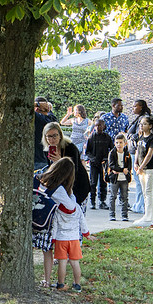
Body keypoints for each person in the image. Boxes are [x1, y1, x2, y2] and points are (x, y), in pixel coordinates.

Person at [42, 158, 91, 292]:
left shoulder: (57, 208)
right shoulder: (73, 204)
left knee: (62, 262)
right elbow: (80, 219)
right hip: (74, 238)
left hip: (60, 238)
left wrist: (53, 238)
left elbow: (55, 226)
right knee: (75, 263)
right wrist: (86, 233)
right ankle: (77, 284)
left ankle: (60, 284)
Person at [41, 122, 91, 206]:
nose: (52, 139)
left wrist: (60, 161)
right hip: (61, 187)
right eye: (49, 136)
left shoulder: (70, 147)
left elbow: (74, 169)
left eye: (55, 135)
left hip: (77, 184)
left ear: (60, 135)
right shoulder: (47, 150)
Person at [133, 115, 153, 227]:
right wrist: (135, 163)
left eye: (144, 124)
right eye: (141, 124)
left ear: (150, 126)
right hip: (140, 168)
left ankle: (149, 216)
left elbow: (149, 154)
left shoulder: (152, 138)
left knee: (148, 192)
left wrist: (142, 166)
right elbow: (137, 152)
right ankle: (148, 215)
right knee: (144, 192)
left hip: (149, 168)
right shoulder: (141, 137)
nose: (142, 126)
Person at [126, 99, 152, 215]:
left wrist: (130, 136)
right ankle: (138, 203)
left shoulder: (143, 118)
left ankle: (139, 205)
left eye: (135, 106)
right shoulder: (139, 117)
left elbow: (140, 135)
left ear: (141, 107)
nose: (133, 108)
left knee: (140, 180)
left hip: (138, 151)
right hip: (134, 151)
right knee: (138, 180)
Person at [84, 118, 113, 209]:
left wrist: (106, 159)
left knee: (103, 182)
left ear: (104, 126)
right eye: (96, 125)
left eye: (100, 125)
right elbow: (87, 152)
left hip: (104, 164)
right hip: (94, 164)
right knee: (93, 183)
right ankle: (92, 201)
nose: (98, 127)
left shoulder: (107, 137)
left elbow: (112, 150)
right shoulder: (91, 137)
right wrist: (93, 159)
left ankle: (102, 201)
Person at [106, 134, 132, 221]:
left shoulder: (127, 154)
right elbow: (112, 166)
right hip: (115, 179)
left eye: (121, 142)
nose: (118, 144)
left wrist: (125, 171)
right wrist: (121, 170)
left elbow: (129, 167)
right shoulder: (112, 153)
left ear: (124, 143)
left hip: (124, 179)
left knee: (124, 197)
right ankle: (112, 214)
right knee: (113, 196)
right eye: (117, 142)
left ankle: (125, 215)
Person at [33, 97, 58, 171]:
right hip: (47, 159)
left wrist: (37, 104)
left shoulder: (38, 118)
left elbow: (24, 104)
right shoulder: (52, 120)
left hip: (36, 159)